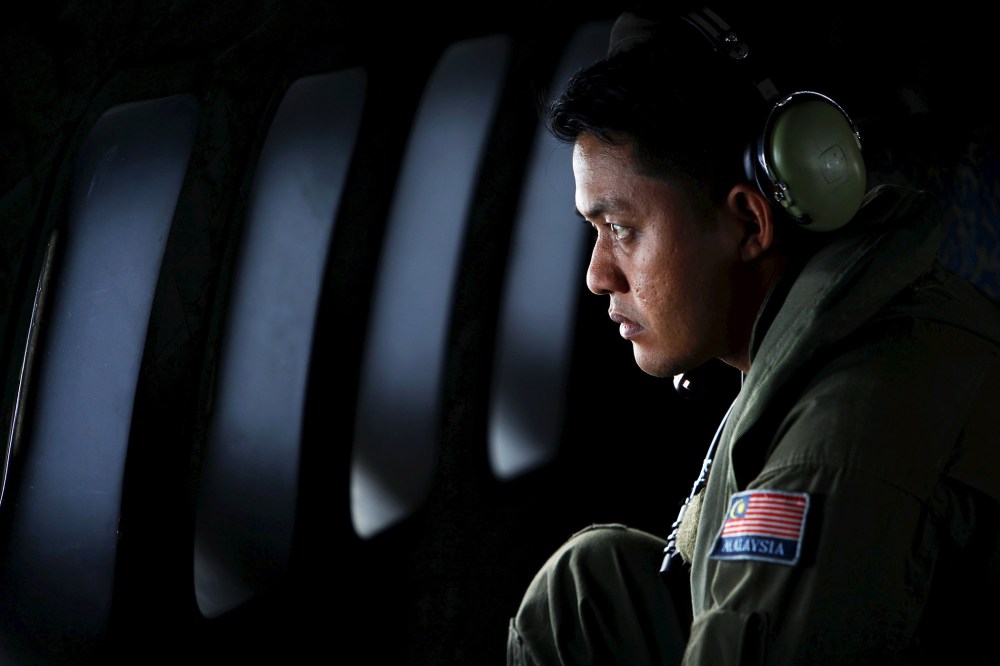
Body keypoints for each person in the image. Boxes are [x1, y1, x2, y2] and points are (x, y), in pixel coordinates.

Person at [506, 4, 1000, 665]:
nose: (598, 276)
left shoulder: (830, 458)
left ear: (748, 222)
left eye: (621, 230)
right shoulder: (844, 321)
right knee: (588, 587)